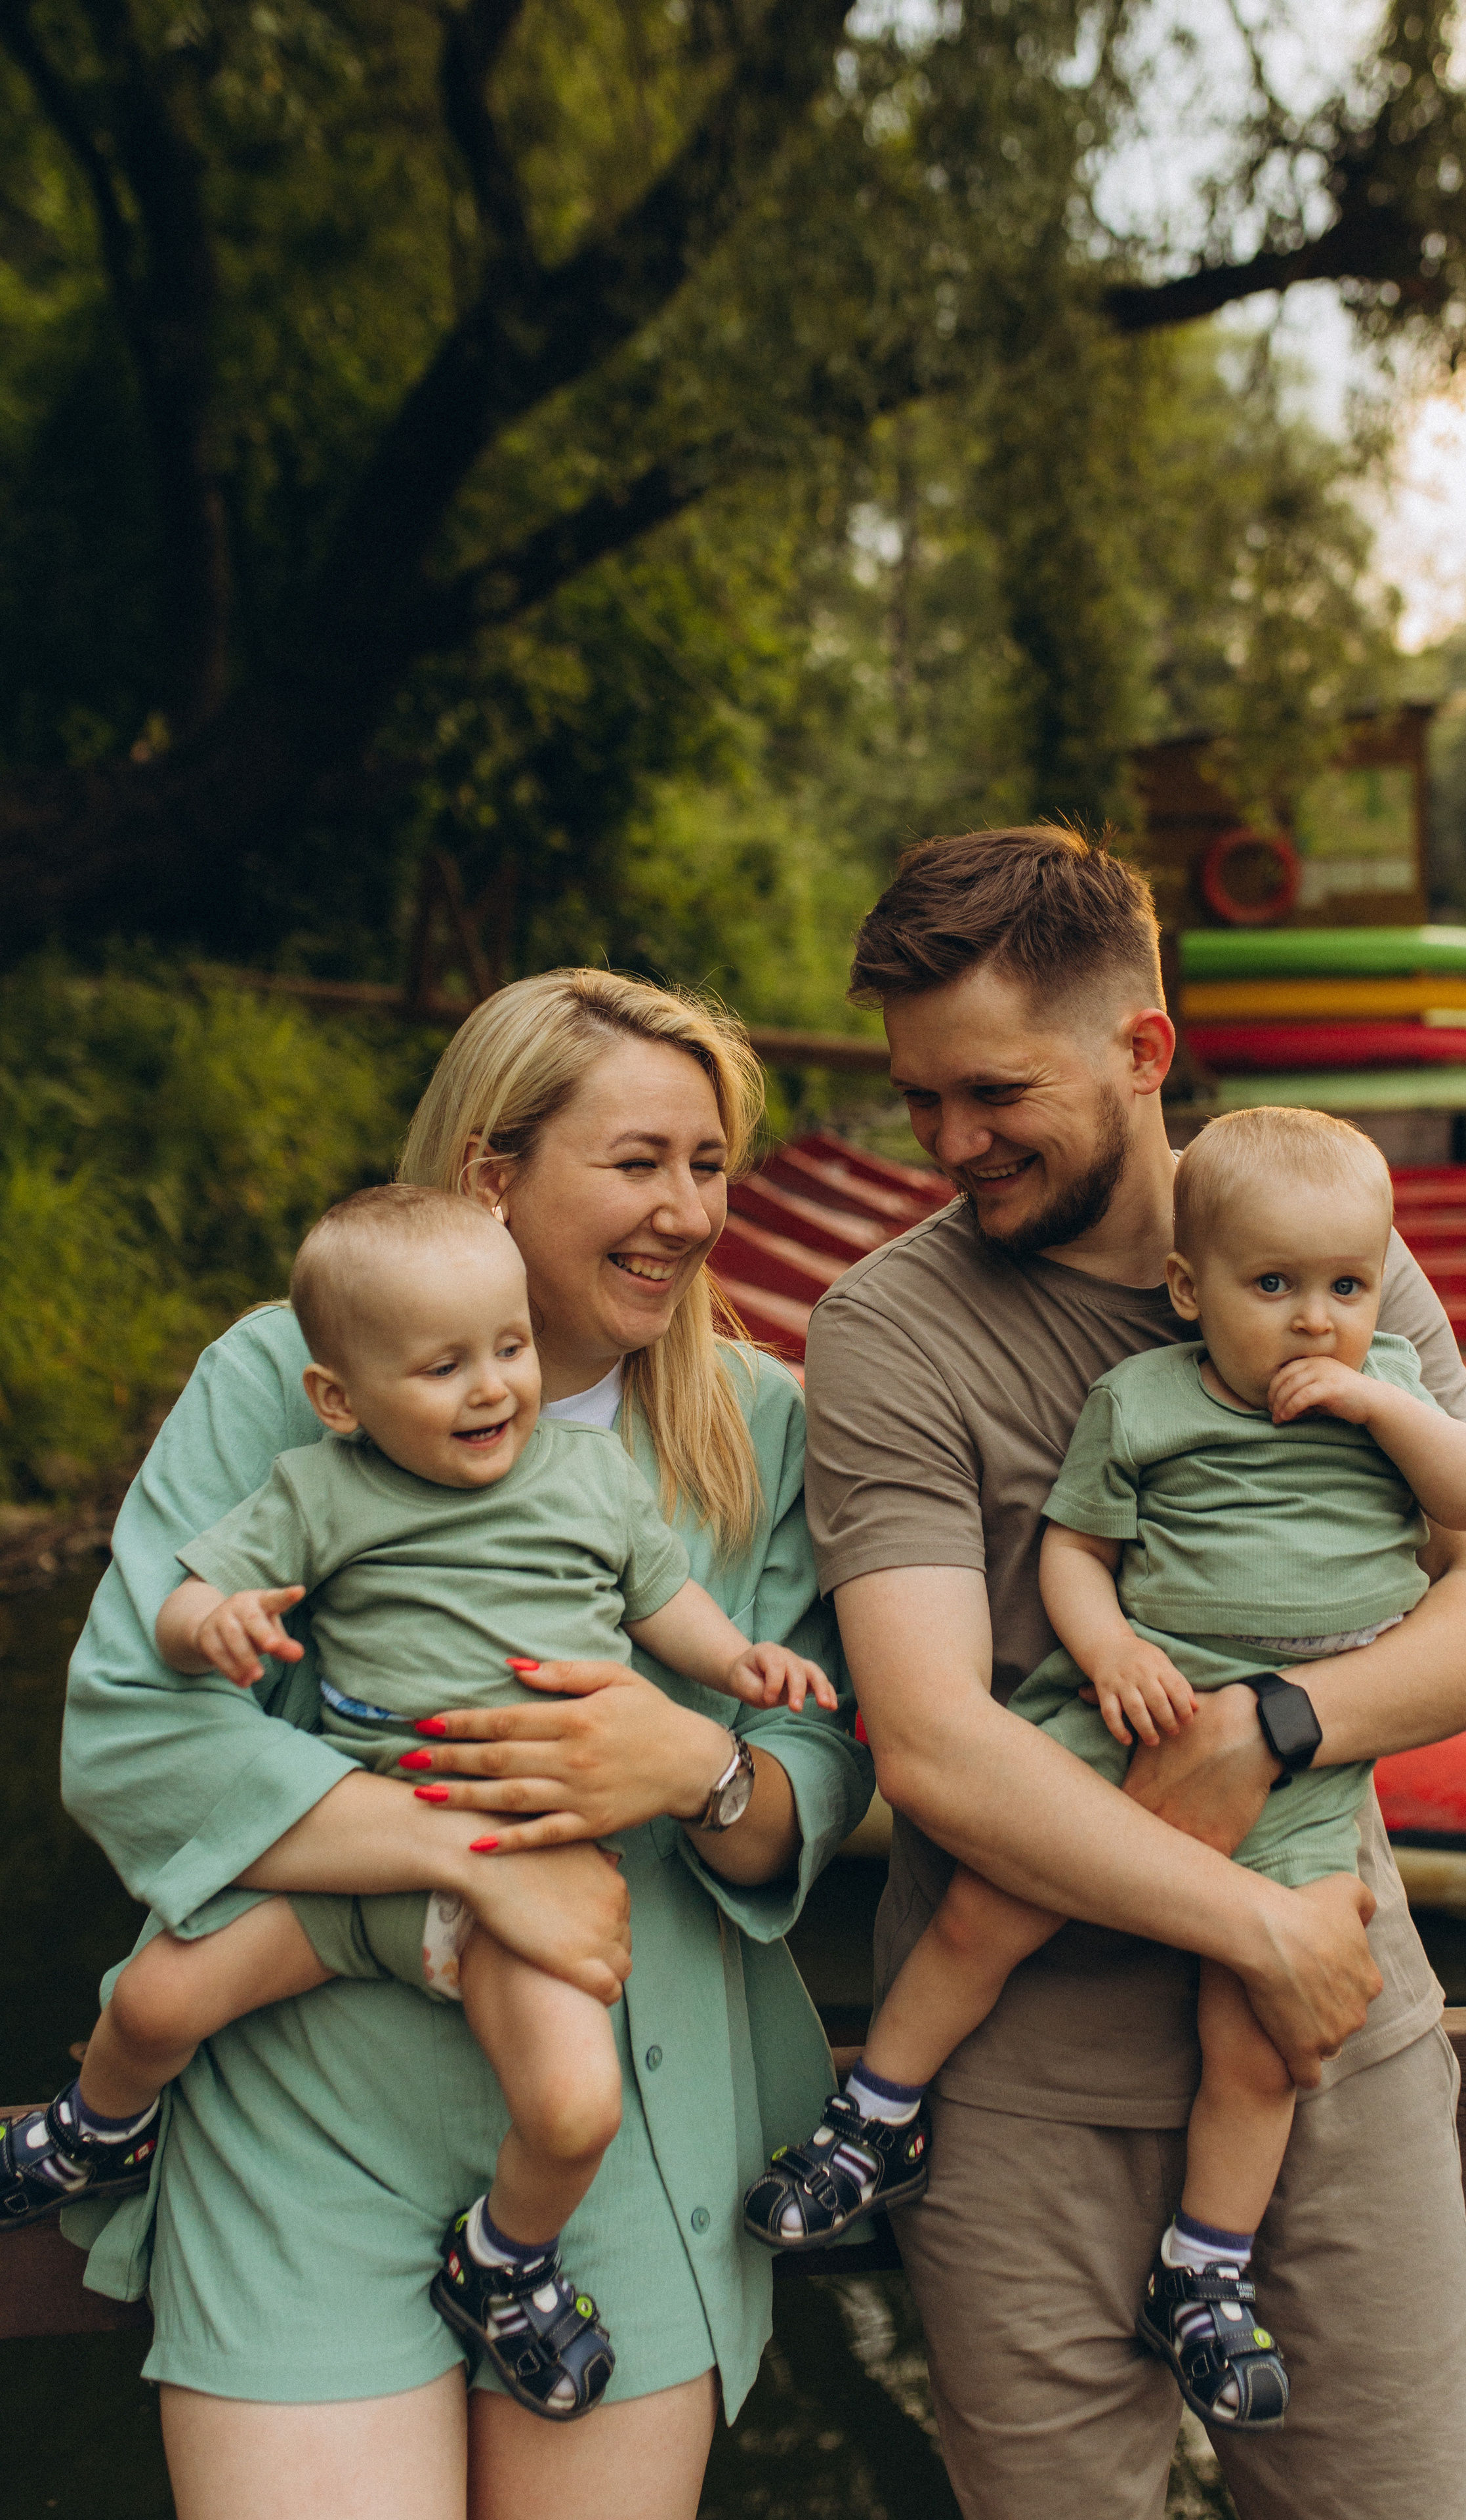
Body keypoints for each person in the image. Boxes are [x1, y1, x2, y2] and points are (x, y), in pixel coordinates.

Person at [798, 828, 1466, 2520]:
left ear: (1141, 1049)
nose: (949, 1143)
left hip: (1325, 2055)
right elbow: (932, 1744)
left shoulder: (1324, 1241)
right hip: (1026, 2110)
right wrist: (1254, 1927)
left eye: (991, 1092)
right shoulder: (886, 1331)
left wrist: (1273, 1727)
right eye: (916, 1099)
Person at [51, 969, 873, 2520]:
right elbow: (138, 1731)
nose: (689, 1213)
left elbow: (812, 1771)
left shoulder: (756, 1419)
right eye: (638, 1163)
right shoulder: (282, 1380)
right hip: (307, 2109)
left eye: (709, 1166)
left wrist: (693, 1772)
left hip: (619, 2110)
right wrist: (473, 1860)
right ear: (495, 1176)